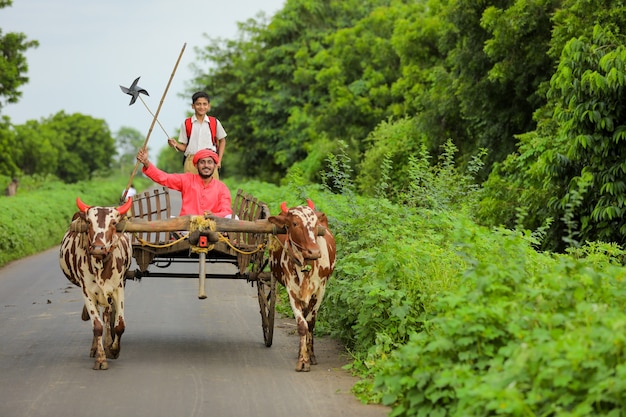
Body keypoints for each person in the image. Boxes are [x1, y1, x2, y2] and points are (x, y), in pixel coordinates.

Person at [136, 147, 232, 218]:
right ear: (196, 165)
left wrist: (213, 215)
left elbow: (226, 211)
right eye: (202, 162)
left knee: (232, 218)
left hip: (213, 227)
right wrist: (146, 163)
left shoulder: (222, 188)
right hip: (187, 227)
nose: (206, 165)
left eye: (209, 162)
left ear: (214, 166)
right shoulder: (187, 179)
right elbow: (164, 178)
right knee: (171, 220)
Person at [167, 92, 227, 178]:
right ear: (193, 106)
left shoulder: (214, 122)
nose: (202, 107)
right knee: (190, 189)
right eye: (198, 104)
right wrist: (175, 144)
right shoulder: (187, 123)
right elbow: (184, 147)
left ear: (208, 106)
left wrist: (219, 160)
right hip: (191, 161)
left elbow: (222, 140)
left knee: (211, 189)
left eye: (204, 104)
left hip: (210, 160)